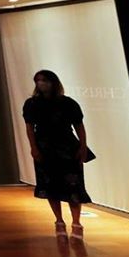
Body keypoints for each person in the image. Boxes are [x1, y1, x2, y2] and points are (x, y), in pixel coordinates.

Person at [22, 70, 92, 240]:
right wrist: (34, 148)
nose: (41, 84)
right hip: (45, 147)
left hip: (67, 146)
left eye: (44, 80)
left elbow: (79, 126)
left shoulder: (68, 103)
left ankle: (76, 222)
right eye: (38, 80)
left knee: (73, 185)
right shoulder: (32, 104)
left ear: (53, 82)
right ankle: (59, 221)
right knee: (50, 185)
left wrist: (83, 146)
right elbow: (30, 128)